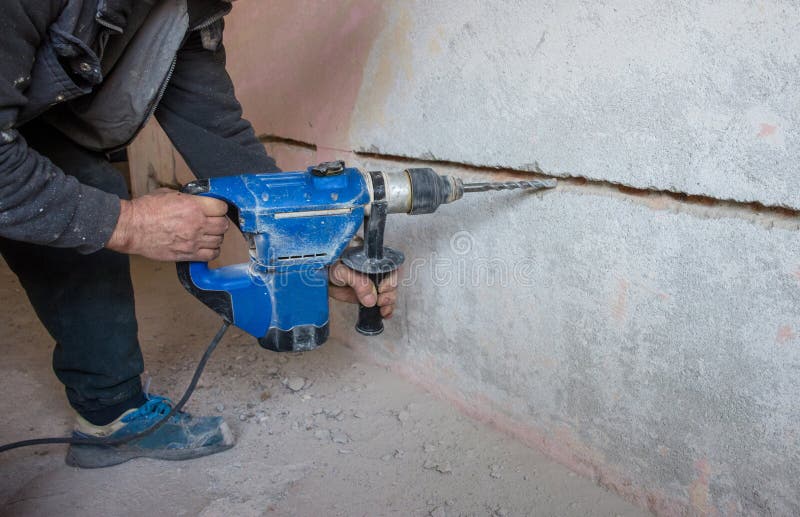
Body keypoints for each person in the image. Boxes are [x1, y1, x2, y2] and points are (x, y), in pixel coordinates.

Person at [0, 0, 397, 468]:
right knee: (95, 204)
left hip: (35, 125)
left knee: (87, 184)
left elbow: (219, 136)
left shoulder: (189, 11)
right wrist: (127, 224)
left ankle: (110, 415)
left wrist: (315, 248)